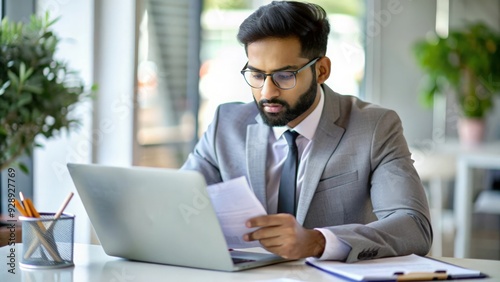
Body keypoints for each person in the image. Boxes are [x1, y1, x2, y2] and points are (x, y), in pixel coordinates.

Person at [181, 1, 432, 263]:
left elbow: (413, 227)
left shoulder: (374, 127)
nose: (267, 92)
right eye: (256, 75)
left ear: (321, 70)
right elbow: (178, 203)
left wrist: (317, 241)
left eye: (285, 75)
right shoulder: (227, 124)